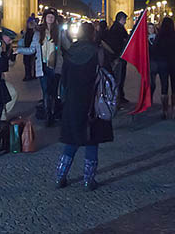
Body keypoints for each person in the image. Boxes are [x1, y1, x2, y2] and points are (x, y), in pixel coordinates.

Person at [54, 23, 113, 191]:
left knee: (72, 139)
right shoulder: (99, 52)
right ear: (92, 34)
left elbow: (63, 80)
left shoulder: (70, 52)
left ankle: (60, 176)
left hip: (73, 102)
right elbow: (108, 77)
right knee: (92, 141)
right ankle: (88, 180)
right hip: (93, 101)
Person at [151, 18, 175, 119]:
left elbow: (154, 50)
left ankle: (164, 111)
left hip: (163, 64)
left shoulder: (159, 37)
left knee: (164, 88)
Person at [100, 12, 129, 103]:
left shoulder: (113, 28)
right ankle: (118, 98)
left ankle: (118, 97)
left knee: (116, 78)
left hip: (114, 57)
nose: (125, 22)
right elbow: (120, 44)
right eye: (124, 20)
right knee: (119, 78)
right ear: (121, 19)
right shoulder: (119, 29)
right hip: (118, 57)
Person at [20, 16, 37, 81]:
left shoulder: (35, 32)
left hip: (32, 49)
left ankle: (31, 75)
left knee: (31, 62)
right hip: (27, 48)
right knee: (27, 62)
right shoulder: (26, 31)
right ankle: (29, 75)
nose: (30, 24)